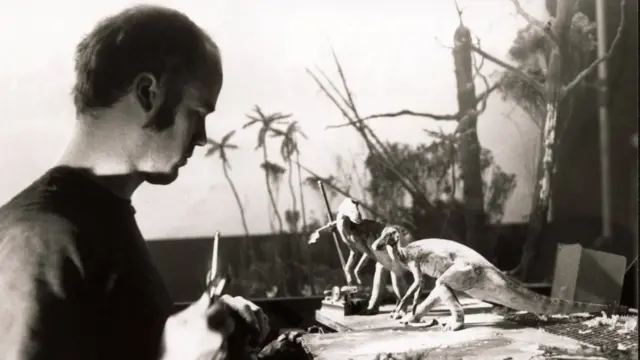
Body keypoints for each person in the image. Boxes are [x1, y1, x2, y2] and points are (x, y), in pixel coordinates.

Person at [0, 5, 270, 360]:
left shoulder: (99, 216)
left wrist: (211, 330)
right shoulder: (38, 239)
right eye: (198, 113)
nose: (203, 138)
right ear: (147, 92)